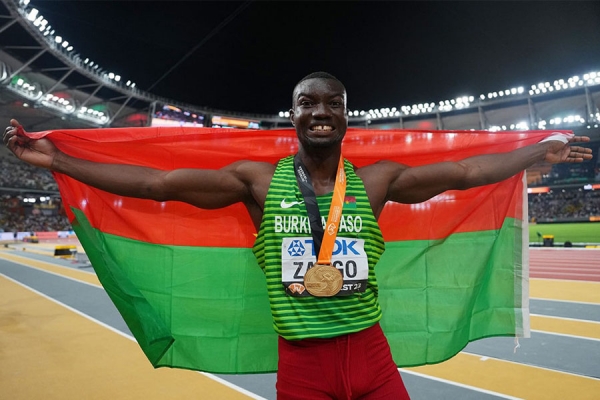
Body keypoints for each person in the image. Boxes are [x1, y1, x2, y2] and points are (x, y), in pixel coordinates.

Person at [4, 72, 593, 399]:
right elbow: (158, 183)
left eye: (331, 103)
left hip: (372, 355)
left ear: (344, 117)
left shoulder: (377, 180)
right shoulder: (256, 181)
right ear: (293, 115)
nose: (319, 111)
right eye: (307, 102)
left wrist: (537, 151)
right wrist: (58, 163)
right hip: (303, 364)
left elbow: (466, 174)